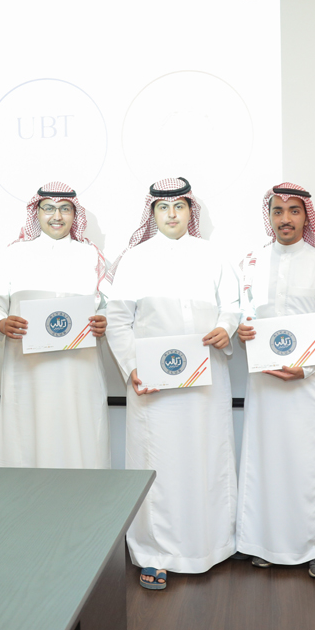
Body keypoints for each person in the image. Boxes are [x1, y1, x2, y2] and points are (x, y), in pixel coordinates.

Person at [106, 177, 240, 590]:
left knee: (205, 458)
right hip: (154, 387)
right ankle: (154, 554)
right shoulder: (134, 259)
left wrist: (226, 327)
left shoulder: (212, 255)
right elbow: (118, 320)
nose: (171, 215)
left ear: (189, 211)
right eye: (163, 208)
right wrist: (131, 366)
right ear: (152, 213)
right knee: (158, 465)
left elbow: (233, 306)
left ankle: (211, 546)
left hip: (205, 384)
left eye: (179, 207)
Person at [235, 184, 315, 579]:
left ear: (305, 216)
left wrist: (307, 367)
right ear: (269, 217)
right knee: (267, 461)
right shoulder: (251, 264)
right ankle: (264, 542)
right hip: (265, 383)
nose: (285, 219)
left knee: (309, 464)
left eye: (294, 211)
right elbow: (242, 316)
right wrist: (241, 331)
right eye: (278, 211)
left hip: (308, 385)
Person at [0, 181, 110, 469]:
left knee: (81, 442)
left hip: (79, 373)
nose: (57, 216)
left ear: (75, 215)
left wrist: (105, 321)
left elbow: (110, 307)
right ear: (36, 212)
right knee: (27, 440)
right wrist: (1, 324)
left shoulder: (92, 256)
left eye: (65, 209)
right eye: (49, 208)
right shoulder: (13, 255)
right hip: (28, 372)